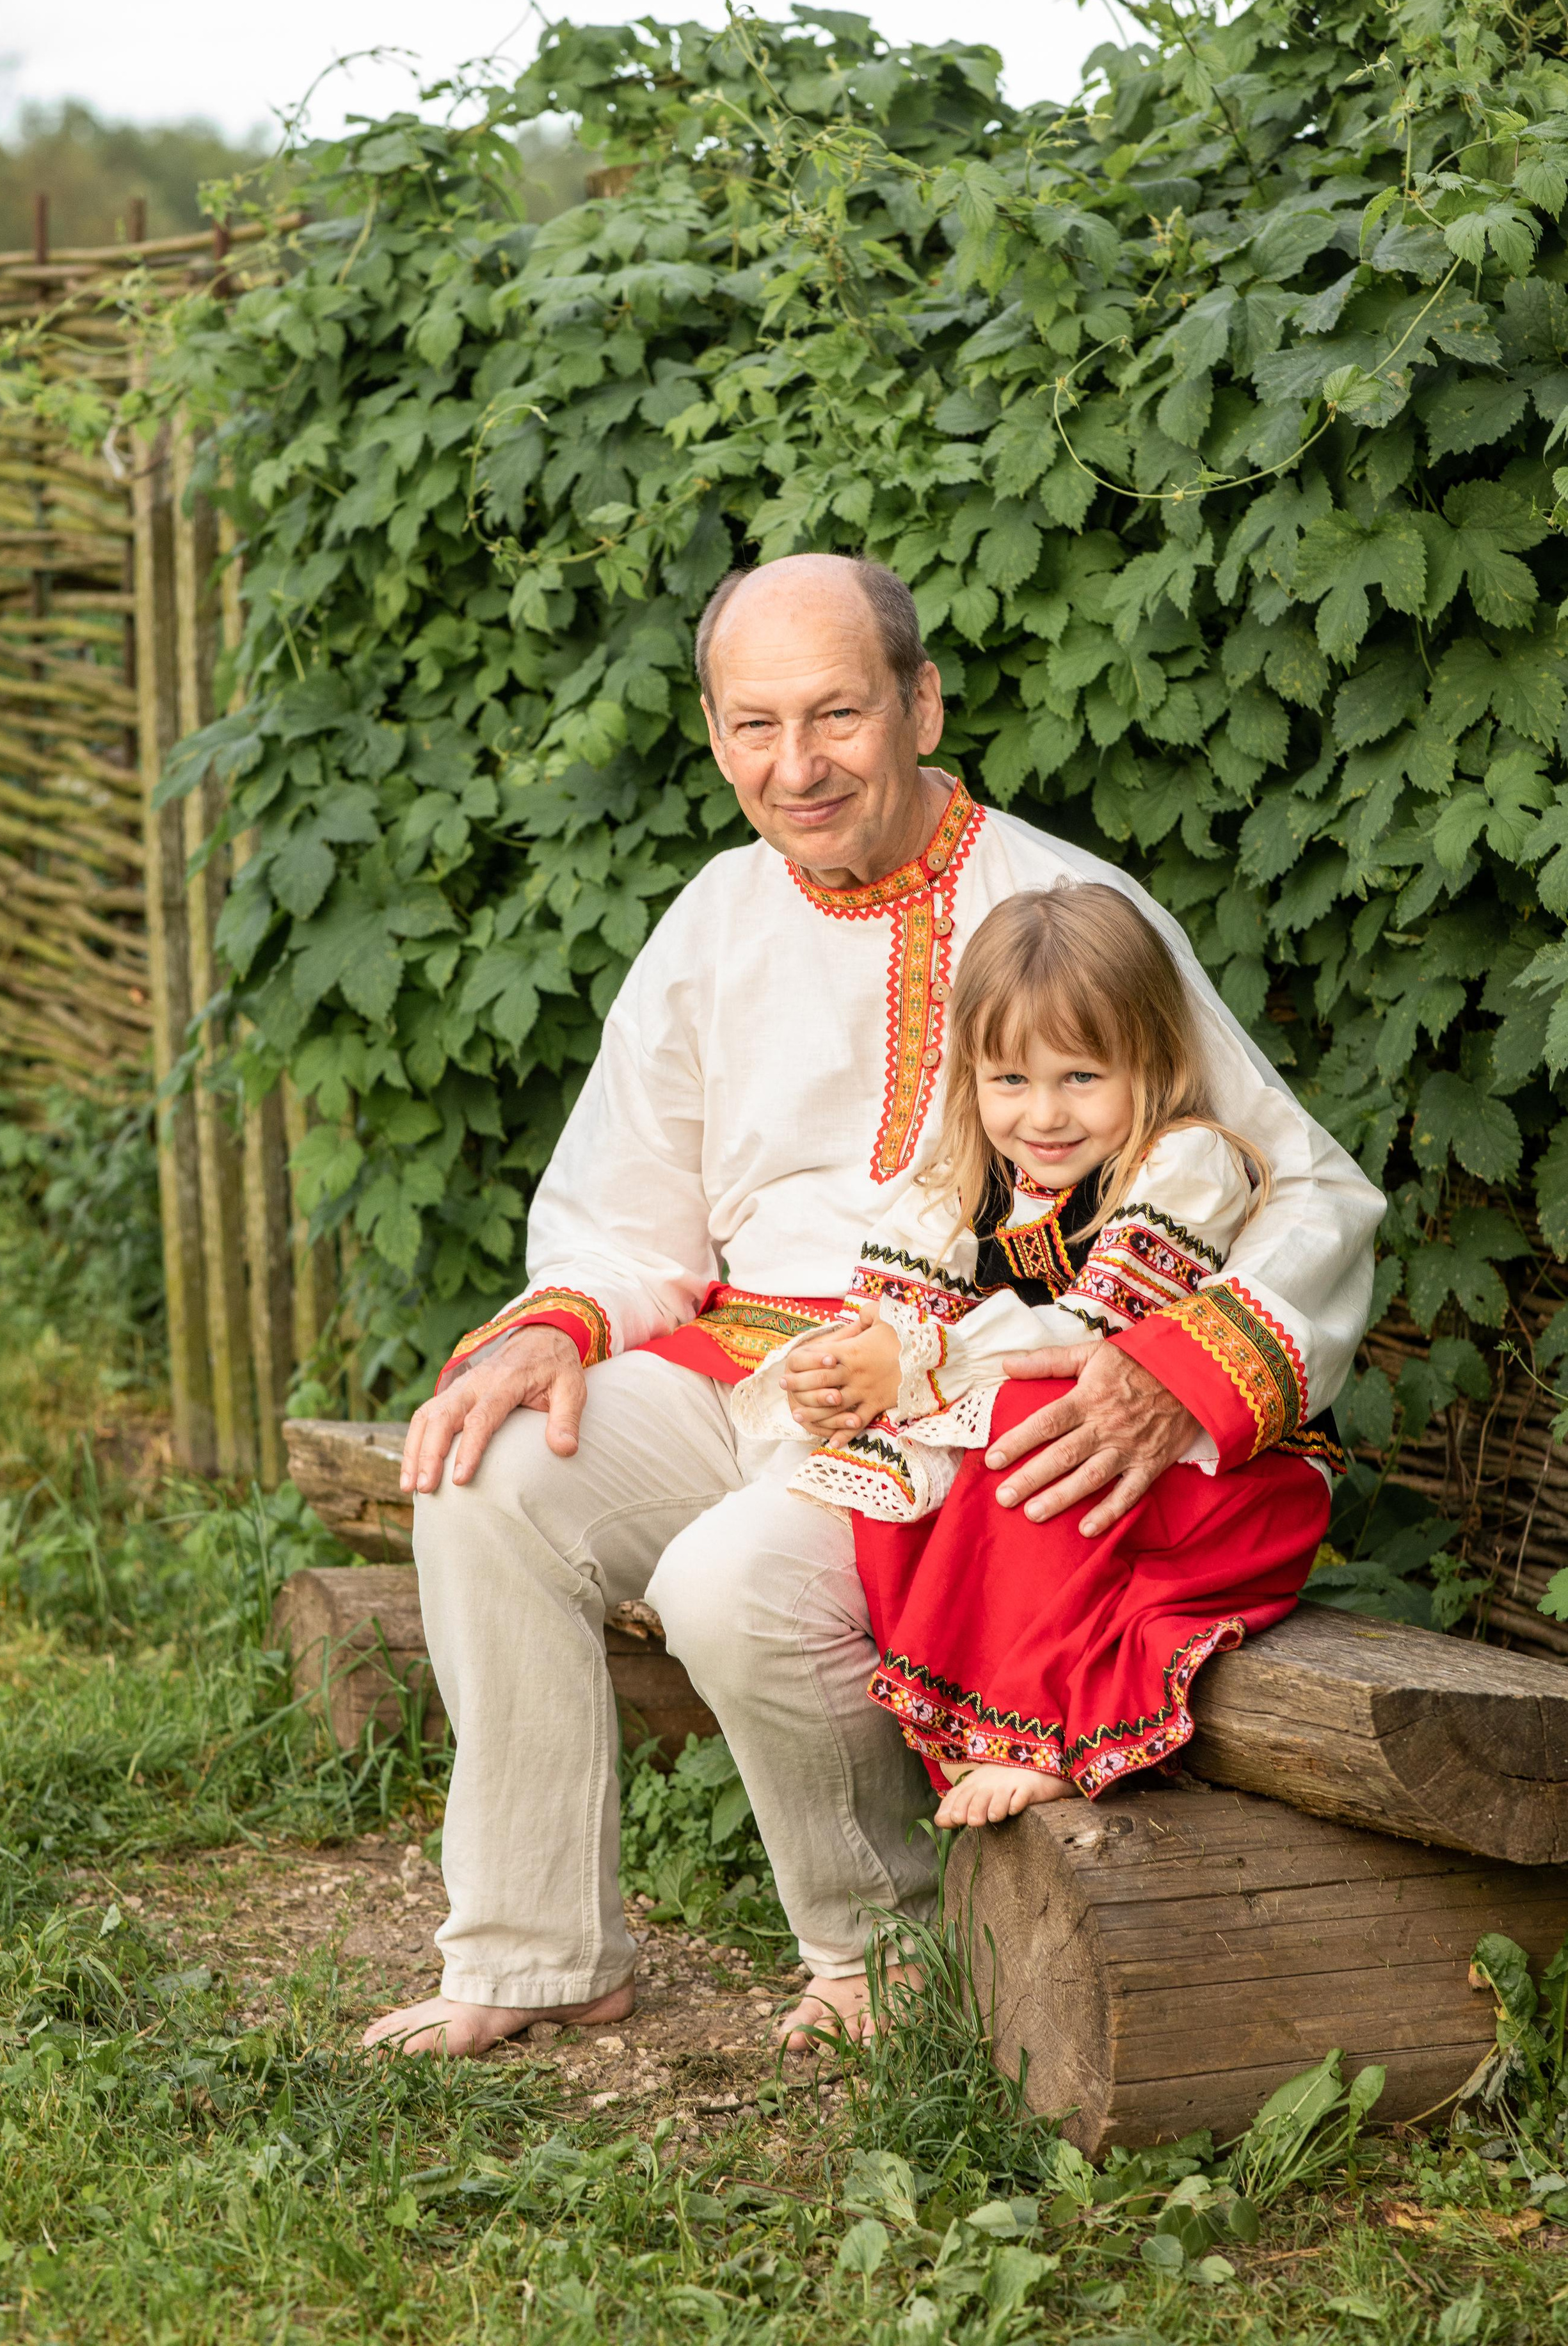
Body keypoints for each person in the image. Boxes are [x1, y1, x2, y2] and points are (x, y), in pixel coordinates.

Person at [360, 552, 1384, 2061]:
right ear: (711, 736)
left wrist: (1172, 1369)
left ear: (918, 701)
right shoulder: (712, 913)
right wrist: (544, 1325)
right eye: (753, 726)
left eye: (833, 714)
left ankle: (880, 1952)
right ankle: (533, 1950)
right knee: (485, 1480)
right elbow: (623, 1207)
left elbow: (1301, 1187)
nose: (796, 766)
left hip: (947, 1401)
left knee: (729, 1589)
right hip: (730, 1363)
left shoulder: (1060, 906)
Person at [730, 882, 1337, 1831]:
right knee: (884, 1467)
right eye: (1010, 1080)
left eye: (1082, 1078)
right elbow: (892, 1315)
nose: (1044, 1115)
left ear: (1152, 1061)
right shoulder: (961, 1188)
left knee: (1022, 1418)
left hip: (1197, 1487)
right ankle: (969, 1718)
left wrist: (921, 1365)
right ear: (971, 1075)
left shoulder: (1186, 1165)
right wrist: (846, 1371)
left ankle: (1042, 1724)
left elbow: (1093, 1341)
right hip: (1078, 1486)